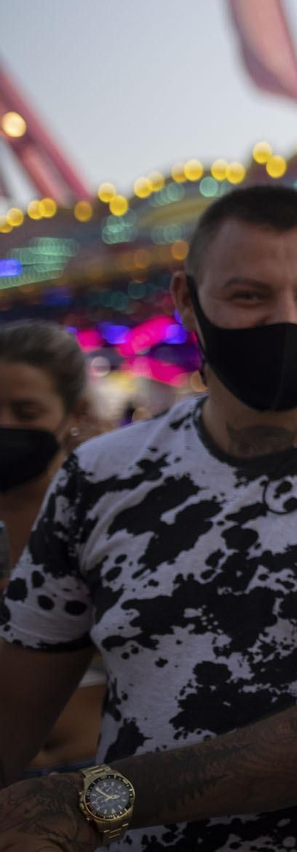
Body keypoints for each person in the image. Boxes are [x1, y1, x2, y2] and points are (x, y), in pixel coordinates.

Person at [0, 185, 297, 851]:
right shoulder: (99, 476)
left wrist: (93, 801)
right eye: (249, 296)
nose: (285, 322)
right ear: (188, 303)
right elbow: (13, 708)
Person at [0, 321, 107, 778]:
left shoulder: (107, 517)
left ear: (75, 414)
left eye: (26, 412)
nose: (3, 426)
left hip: (94, 781)